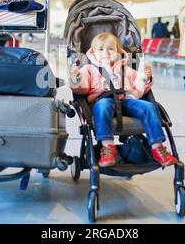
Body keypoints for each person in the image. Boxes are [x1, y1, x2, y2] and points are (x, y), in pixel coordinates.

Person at [69, 32, 178, 168]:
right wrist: (76, 78)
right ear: (92, 53)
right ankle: (108, 148)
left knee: (150, 107)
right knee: (102, 105)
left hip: (127, 101)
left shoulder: (126, 70)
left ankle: (158, 148)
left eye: (110, 49)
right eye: (101, 49)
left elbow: (138, 90)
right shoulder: (89, 69)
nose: (106, 53)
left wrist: (145, 78)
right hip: (103, 101)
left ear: (119, 52)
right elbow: (82, 89)